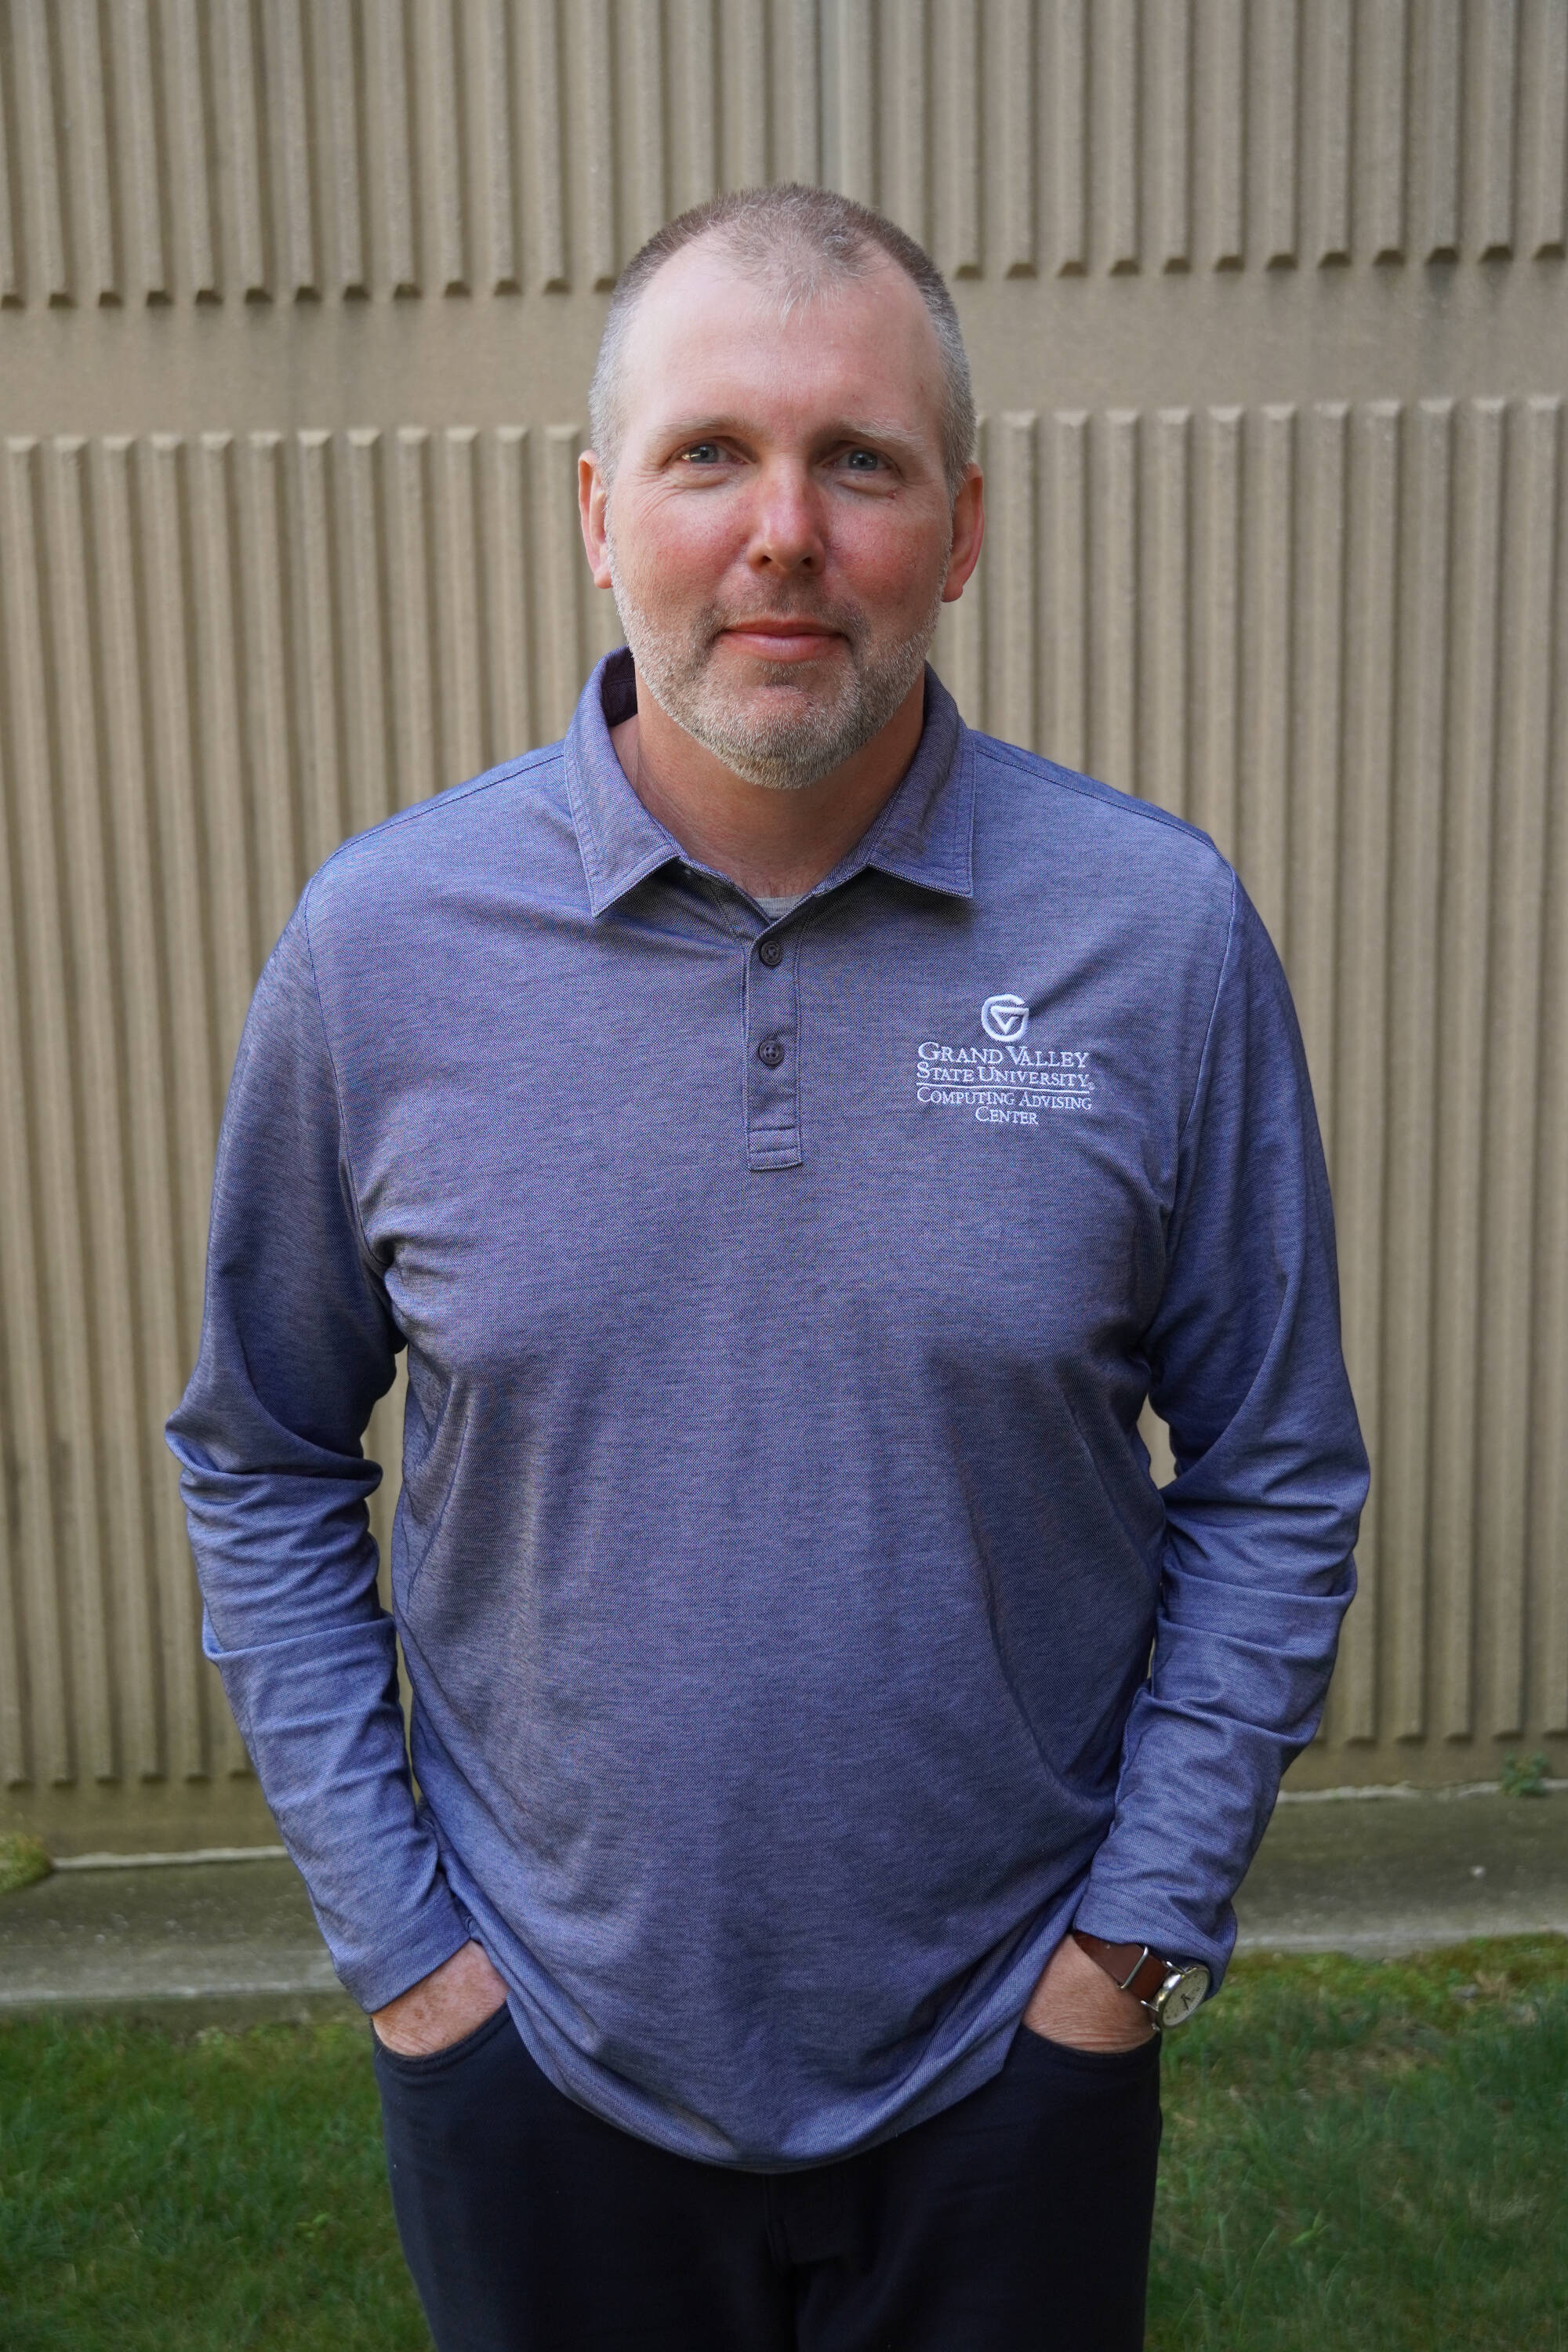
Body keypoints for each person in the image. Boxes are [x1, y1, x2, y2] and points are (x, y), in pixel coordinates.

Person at [168, 185, 1367, 2351]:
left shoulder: (1154, 936)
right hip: (533, 2061)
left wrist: (1134, 1953)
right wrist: (409, 1960)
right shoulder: (385, 952)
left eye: (862, 461)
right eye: (713, 453)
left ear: (965, 525)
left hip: (1017, 2066)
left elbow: (1278, 1471)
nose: (784, 531)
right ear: (598, 512)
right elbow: (258, 1454)